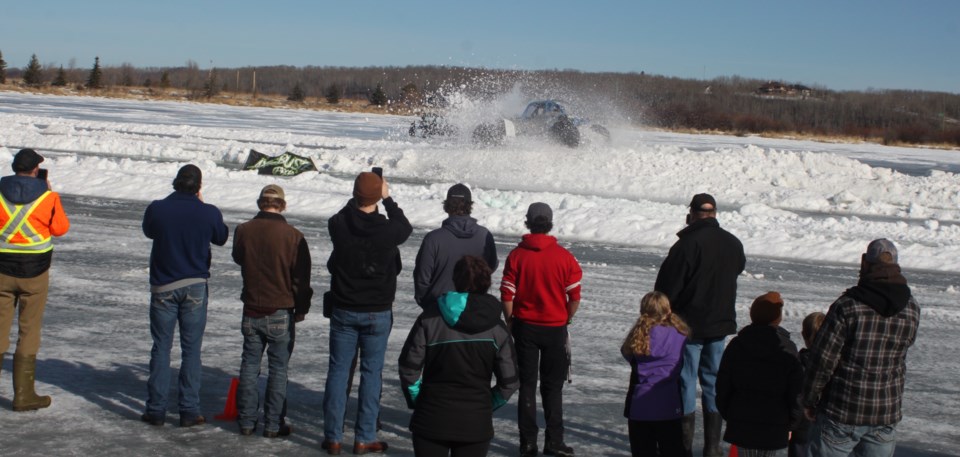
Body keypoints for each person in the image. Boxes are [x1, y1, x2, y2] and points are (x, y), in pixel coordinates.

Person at [801, 239, 920, 457]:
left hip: (843, 411)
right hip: (885, 411)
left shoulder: (848, 305)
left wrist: (809, 399)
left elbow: (823, 360)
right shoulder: (911, 307)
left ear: (865, 264)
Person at [322, 171, 412, 455]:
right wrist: (387, 198)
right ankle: (364, 437)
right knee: (372, 373)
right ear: (377, 197)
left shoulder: (340, 224)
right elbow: (405, 226)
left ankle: (333, 437)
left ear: (354, 195)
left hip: (345, 309)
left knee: (338, 371)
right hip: (377, 311)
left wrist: (362, 196)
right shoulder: (388, 230)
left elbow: (340, 215)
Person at [399, 255, 520, 457]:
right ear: (487, 283)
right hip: (475, 422)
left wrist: (419, 400)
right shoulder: (497, 328)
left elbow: (409, 368)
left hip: (431, 417)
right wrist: (486, 404)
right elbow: (510, 381)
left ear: (455, 280)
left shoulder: (430, 318)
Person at [654, 193, 745, 457]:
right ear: (714, 214)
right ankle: (712, 447)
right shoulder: (733, 243)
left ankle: (683, 448)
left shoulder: (686, 245)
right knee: (713, 381)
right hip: (719, 325)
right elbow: (738, 268)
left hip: (688, 326)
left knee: (685, 380)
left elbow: (666, 288)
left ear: (692, 214)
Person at [141, 164, 229, 427]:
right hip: (195, 286)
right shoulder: (208, 212)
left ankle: (156, 409)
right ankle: (189, 409)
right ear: (198, 187)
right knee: (191, 350)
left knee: (161, 348)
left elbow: (149, 231)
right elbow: (222, 237)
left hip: (163, 287)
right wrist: (202, 207)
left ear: (176, 183)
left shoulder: (157, 207)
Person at [500, 202, 582, 457]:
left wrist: (511, 320)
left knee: (527, 385)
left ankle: (528, 443)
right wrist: (566, 318)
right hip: (555, 328)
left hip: (525, 327)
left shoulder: (517, 255)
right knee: (552, 386)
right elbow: (575, 296)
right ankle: (554, 441)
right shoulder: (564, 257)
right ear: (549, 222)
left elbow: (506, 294)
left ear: (528, 221)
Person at [232, 184, 312, 438]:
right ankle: (273, 425)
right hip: (280, 309)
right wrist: (300, 310)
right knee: (278, 370)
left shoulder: (244, 230)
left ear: (260, 203)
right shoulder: (293, 236)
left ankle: (246, 421)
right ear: (283, 205)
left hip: (252, 308)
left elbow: (238, 257)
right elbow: (302, 280)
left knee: (249, 366)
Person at [0, 148, 69, 411]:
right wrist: (48, 194)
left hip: (2, 270)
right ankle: (24, 395)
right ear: (35, 171)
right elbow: (60, 229)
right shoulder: (48, 197)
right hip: (35, 272)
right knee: (29, 330)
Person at [716, 291, 804, 456]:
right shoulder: (787, 349)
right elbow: (796, 393)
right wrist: (792, 423)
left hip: (742, 421)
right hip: (775, 423)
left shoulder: (737, 345)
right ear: (778, 318)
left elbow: (722, 386)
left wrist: (731, 414)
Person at [621, 291, 689, 457]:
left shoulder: (638, 335)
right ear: (668, 310)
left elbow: (627, 354)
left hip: (640, 407)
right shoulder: (680, 334)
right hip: (669, 405)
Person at [413, 183, 498, 310]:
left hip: (439, 310)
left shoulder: (433, 238)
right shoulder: (485, 235)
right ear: (470, 205)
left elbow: (422, 278)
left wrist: (428, 305)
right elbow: (490, 268)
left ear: (447, 206)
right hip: (474, 309)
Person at [788, 311, 825, 457]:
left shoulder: (799, 364)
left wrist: (790, 425)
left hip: (802, 430)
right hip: (829, 429)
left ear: (804, 335)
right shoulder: (836, 364)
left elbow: (797, 400)